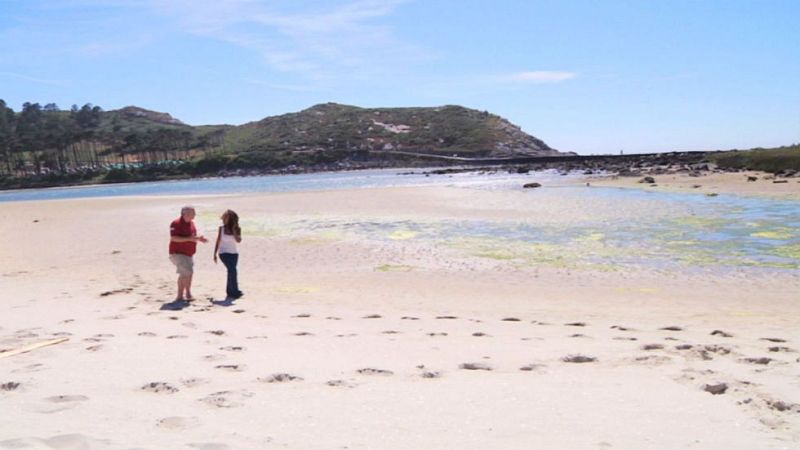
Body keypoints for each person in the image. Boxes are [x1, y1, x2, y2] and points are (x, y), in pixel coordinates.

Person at [169, 206, 208, 301]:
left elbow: (192, 236)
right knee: (185, 273)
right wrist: (190, 239)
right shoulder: (176, 223)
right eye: (192, 213)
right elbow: (174, 238)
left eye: (194, 213)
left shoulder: (192, 223)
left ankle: (188, 294)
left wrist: (199, 239)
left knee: (189, 273)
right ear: (185, 214)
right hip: (177, 253)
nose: (194, 214)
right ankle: (179, 296)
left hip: (189, 253)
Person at [213, 209, 243, 299]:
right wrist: (214, 253)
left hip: (234, 254)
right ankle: (235, 292)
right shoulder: (221, 228)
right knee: (233, 270)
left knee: (231, 271)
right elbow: (218, 241)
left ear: (230, 218)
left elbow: (238, 241)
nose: (224, 219)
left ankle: (231, 292)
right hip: (223, 253)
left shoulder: (237, 228)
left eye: (226, 217)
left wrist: (234, 230)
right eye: (224, 217)